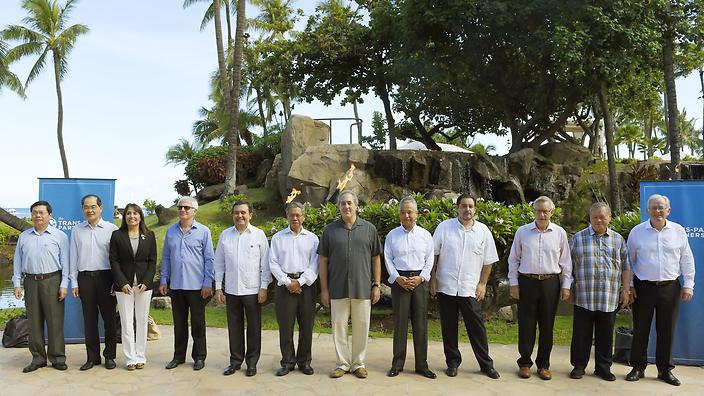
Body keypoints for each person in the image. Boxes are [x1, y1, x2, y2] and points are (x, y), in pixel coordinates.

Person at [625, 194, 695, 386]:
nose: (658, 211)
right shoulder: (637, 232)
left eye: (661, 207)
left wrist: (688, 284)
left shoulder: (678, 231)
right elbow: (629, 261)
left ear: (668, 211)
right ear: (648, 210)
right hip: (643, 287)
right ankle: (638, 367)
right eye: (654, 207)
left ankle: (665, 370)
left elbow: (686, 259)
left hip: (670, 288)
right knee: (641, 329)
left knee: (667, 330)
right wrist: (630, 285)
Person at [430, 194, 500, 379]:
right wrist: (433, 278)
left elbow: (488, 261)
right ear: (457, 208)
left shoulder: (483, 231)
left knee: (477, 328)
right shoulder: (444, 227)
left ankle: (486, 364)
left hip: (470, 288)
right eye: (463, 206)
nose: (467, 209)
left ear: (475, 209)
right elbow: (433, 254)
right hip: (446, 286)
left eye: (470, 206)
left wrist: (483, 283)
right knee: (449, 327)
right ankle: (452, 363)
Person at [319, 190, 382, 379]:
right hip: (337, 288)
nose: (346, 206)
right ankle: (342, 363)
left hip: (362, 287)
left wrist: (377, 285)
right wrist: (324, 290)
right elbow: (322, 260)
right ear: (338, 207)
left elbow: (376, 258)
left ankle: (358, 363)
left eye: (349, 203)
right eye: (343, 203)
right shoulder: (329, 230)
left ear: (356, 206)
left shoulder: (369, 229)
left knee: (362, 326)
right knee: (339, 327)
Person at [508, 196, 572, 380]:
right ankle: (525, 363)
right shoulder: (523, 232)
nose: (542, 214)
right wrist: (514, 283)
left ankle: (543, 365)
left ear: (552, 212)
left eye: (546, 211)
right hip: (527, 282)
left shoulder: (560, 233)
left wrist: (566, 286)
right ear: (534, 212)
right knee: (526, 325)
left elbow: (566, 262)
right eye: (539, 211)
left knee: (547, 326)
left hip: (550, 283)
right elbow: (514, 259)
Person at [568, 202, 631, 381]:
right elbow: (567, 266)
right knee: (581, 335)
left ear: (609, 218)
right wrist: (569, 287)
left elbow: (626, 267)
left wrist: (625, 290)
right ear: (590, 219)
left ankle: (603, 367)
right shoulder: (577, 239)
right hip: (584, 296)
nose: (599, 220)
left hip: (608, 297)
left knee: (605, 335)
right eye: (595, 217)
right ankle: (579, 366)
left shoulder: (618, 240)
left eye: (602, 217)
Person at [214, 201, 271, 377]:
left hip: (253, 290)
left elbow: (265, 265)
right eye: (236, 213)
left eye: (243, 213)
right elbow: (219, 263)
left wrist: (263, 288)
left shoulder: (259, 235)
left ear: (250, 215)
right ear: (232, 215)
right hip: (231, 290)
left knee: (254, 328)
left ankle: (252, 363)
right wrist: (218, 288)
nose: (240, 216)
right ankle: (235, 361)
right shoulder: (225, 235)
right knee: (234, 328)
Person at [12, 201, 70, 372]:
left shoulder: (60, 236)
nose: (38, 215)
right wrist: (17, 283)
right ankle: (38, 358)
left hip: (52, 280)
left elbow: (65, 263)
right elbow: (18, 261)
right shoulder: (24, 236)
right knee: (34, 322)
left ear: (49, 215)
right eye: (35, 212)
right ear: (31, 215)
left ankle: (58, 357)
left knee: (55, 321)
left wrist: (64, 285)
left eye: (41, 212)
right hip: (30, 281)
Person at [159, 196, 215, 371]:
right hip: (176, 286)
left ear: (194, 211)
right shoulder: (170, 232)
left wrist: (208, 282)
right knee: (179, 324)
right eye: (180, 207)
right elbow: (166, 257)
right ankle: (178, 356)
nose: (182, 210)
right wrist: (163, 279)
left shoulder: (204, 231)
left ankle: (199, 357)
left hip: (197, 286)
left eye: (186, 208)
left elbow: (209, 259)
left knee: (198, 324)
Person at [384, 196, 436, 379]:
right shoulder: (392, 235)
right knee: (399, 324)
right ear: (399, 214)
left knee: (420, 324)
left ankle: (422, 365)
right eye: (403, 212)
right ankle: (397, 364)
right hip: (400, 282)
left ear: (416, 214)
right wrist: (396, 278)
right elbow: (388, 259)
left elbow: (430, 260)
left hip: (419, 282)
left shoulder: (425, 235)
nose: (407, 215)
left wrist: (422, 277)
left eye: (410, 212)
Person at [69, 194, 119, 371]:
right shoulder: (77, 230)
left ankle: (110, 356)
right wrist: (74, 282)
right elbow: (73, 257)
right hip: (85, 279)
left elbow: (116, 259)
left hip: (107, 279)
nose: (89, 210)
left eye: (93, 207)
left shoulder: (112, 229)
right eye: (86, 207)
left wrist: (117, 282)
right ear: (82, 209)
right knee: (89, 321)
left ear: (100, 208)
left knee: (109, 320)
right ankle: (92, 357)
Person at [268, 202, 319, 376]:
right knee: (286, 326)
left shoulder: (312, 238)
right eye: (292, 215)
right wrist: (288, 282)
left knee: (306, 325)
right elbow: (273, 263)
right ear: (287, 217)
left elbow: (315, 264)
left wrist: (301, 282)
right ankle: (288, 362)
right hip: (284, 286)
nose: (295, 218)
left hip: (306, 287)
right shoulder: (278, 238)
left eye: (298, 215)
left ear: (304, 217)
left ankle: (304, 361)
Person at [109, 203, 157, 371]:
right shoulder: (117, 235)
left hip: (144, 286)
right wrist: (122, 283)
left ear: (140, 216)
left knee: (142, 321)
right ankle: (130, 358)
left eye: (135, 213)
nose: (132, 216)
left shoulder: (149, 235)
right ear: (125, 216)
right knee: (127, 322)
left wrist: (147, 281)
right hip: (124, 287)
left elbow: (152, 261)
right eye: (129, 213)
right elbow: (113, 261)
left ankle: (140, 356)